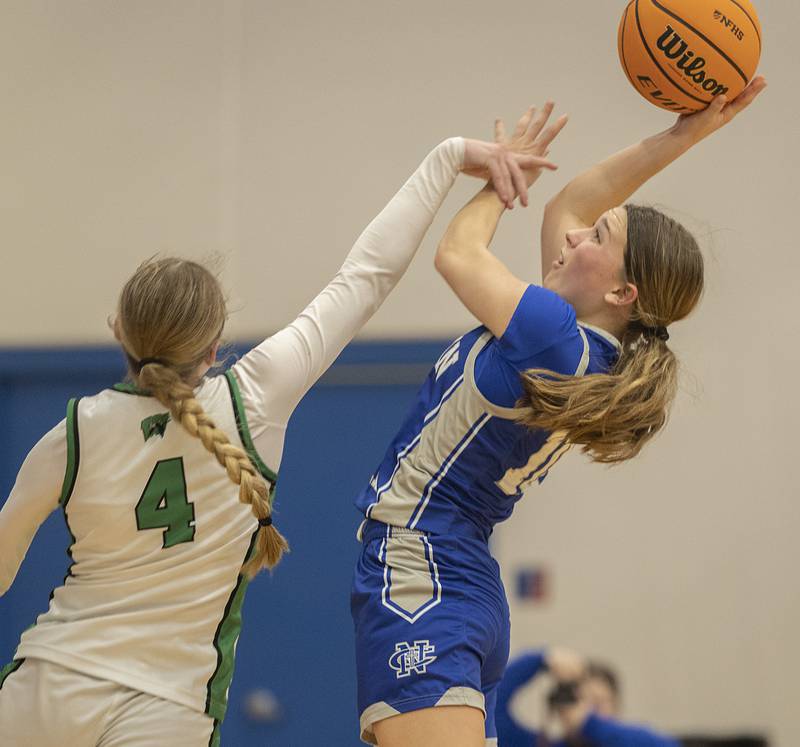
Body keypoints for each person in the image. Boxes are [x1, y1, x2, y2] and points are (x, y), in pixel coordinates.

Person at [0, 130, 546, 746]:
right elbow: (366, 277)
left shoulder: (71, 433)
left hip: (44, 686)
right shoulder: (251, 398)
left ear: (116, 329)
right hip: (166, 704)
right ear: (213, 346)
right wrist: (446, 158)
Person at [350, 79, 767, 747]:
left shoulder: (548, 331)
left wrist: (495, 183)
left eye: (596, 237)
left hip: (422, 563)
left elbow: (457, 254)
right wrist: (685, 134)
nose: (573, 235)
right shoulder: (579, 338)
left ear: (620, 289)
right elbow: (574, 199)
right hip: (461, 577)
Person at [496, 648, 680, 747]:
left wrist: (590, 724)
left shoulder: (638, 739)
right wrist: (541, 660)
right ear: (563, 705)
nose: (588, 709)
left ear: (617, 705)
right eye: (583, 701)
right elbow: (493, 710)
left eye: (600, 701)